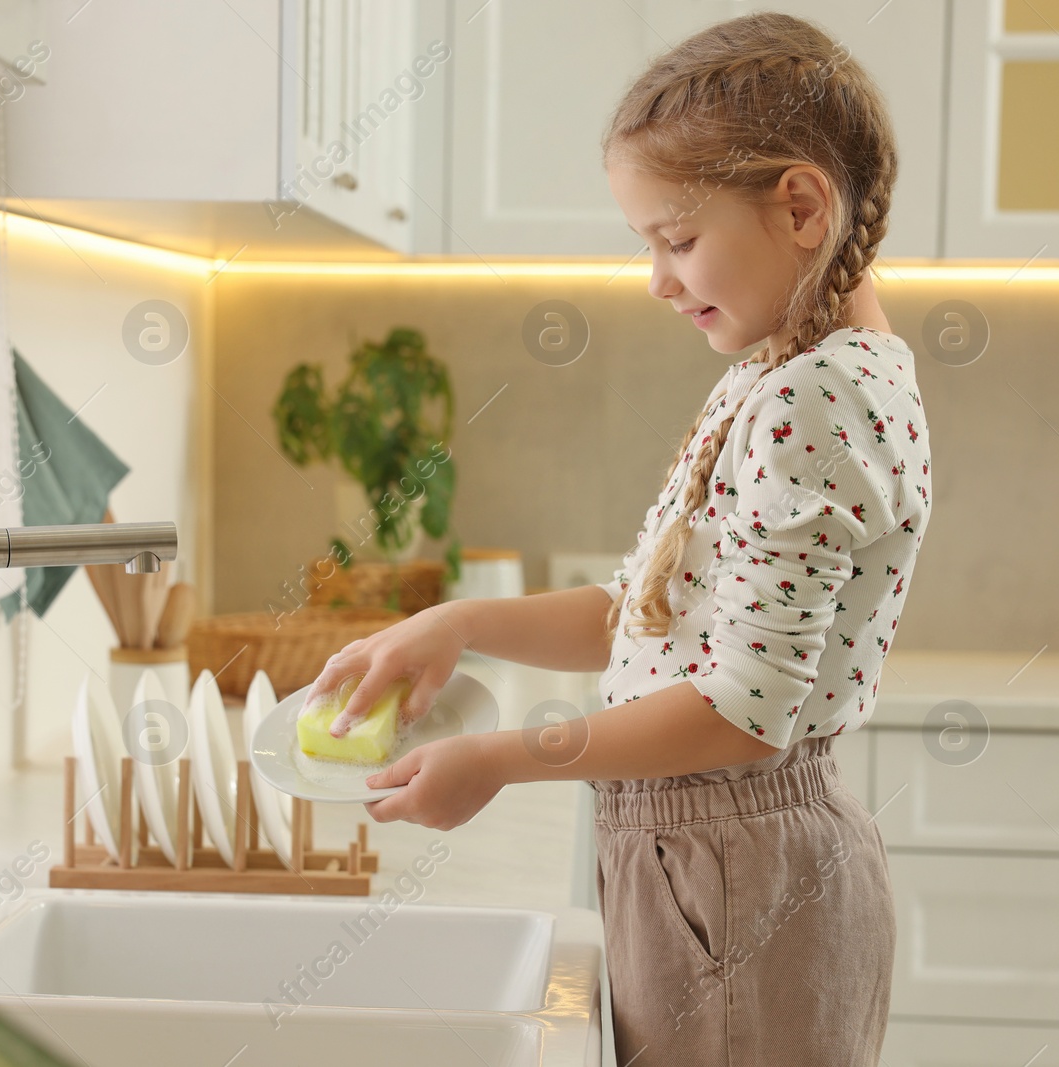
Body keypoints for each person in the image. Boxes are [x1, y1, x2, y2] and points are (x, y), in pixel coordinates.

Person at [299, 11, 933, 1066]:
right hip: (713, 852)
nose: (657, 279)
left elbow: (739, 715)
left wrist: (502, 758)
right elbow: (647, 616)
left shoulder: (812, 396)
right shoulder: (788, 374)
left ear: (802, 206)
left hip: (734, 859)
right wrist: (456, 623)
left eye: (677, 239)